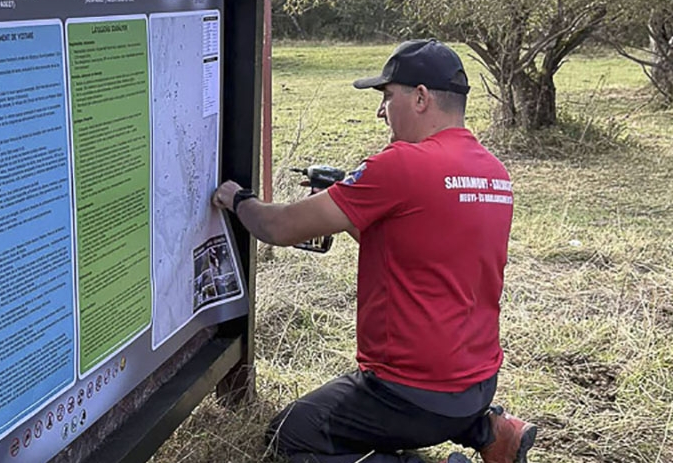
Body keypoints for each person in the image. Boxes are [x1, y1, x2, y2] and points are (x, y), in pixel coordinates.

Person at [212, 39, 536, 463]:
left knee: (289, 438)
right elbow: (417, 254)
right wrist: (351, 211)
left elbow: (278, 227)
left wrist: (237, 199)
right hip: (476, 383)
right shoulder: (493, 172)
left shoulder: (401, 164)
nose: (381, 111)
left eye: (387, 97)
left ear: (420, 97)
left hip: (409, 393)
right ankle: (489, 429)